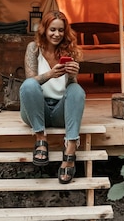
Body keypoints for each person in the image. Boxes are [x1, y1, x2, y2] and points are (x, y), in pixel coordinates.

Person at [19, 10, 84, 184]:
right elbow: (30, 81)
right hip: (35, 112)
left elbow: (71, 89)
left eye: (61, 30)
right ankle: (41, 139)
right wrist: (50, 75)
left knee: (77, 90)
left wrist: (72, 75)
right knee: (29, 85)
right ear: (44, 30)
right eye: (52, 30)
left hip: (59, 112)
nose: (57, 34)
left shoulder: (69, 50)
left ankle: (70, 150)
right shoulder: (33, 48)